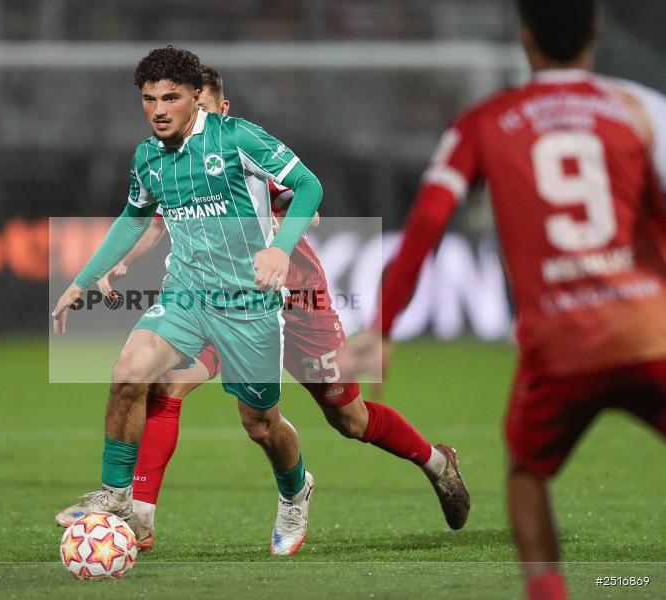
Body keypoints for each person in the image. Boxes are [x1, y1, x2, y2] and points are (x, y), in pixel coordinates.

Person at [341, 1, 666, 598]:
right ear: (596, 32)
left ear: (525, 38)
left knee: (525, 474)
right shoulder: (642, 109)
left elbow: (427, 224)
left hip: (560, 344)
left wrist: (382, 326)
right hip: (651, 329)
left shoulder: (485, 122)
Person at [96, 65, 470, 551]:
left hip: (298, 302)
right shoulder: (176, 159)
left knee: (349, 420)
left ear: (219, 109)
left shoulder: (242, 150)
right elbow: (154, 220)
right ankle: (139, 519)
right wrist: (120, 260)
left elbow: (307, 206)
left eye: (198, 109)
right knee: (166, 384)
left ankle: (437, 464)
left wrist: (275, 231)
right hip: (227, 301)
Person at [52, 46, 324, 555]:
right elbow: (133, 218)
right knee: (129, 372)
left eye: (170, 98)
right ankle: (116, 497)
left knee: (261, 425)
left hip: (248, 304)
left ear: (197, 97)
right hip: (186, 295)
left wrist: (279, 249)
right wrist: (81, 280)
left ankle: (295, 490)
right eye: (149, 99)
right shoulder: (147, 157)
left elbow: (308, 186)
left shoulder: (236, 137)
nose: (158, 110)